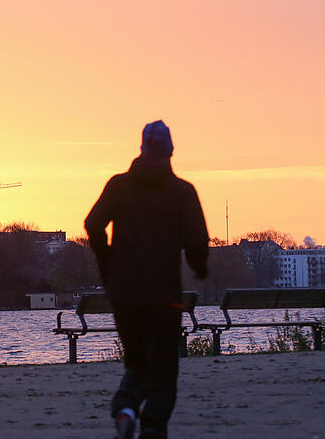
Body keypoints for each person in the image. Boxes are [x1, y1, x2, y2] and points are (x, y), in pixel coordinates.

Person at [84, 120, 209, 439]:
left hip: (124, 293)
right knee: (164, 370)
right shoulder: (182, 192)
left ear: (141, 148)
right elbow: (197, 241)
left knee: (137, 363)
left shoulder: (118, 185)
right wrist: (200, 267)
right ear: (170, 151)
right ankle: (152, 426)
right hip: (164, 294)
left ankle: (126, 409)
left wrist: (107, 263)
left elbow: (93, 224)